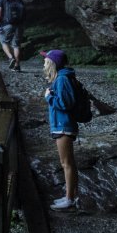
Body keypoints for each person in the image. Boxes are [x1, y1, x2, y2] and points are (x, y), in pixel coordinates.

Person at [42, 48, 79, 211]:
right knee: (68, 163)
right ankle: (69, 196)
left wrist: (49, 97)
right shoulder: (62, 78)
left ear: (52, 63)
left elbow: (66, 104)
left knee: (67, 163)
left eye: (45, 60)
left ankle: (70, 199)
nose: (44, 62)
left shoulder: (62, 79)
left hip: (64, 125)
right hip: (62, 124)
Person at [0, 0, 24, 71]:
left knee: (3, 41)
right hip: (19, 25)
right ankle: (17, 66)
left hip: (7, 24)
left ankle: (11, 58)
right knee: (16, 45)